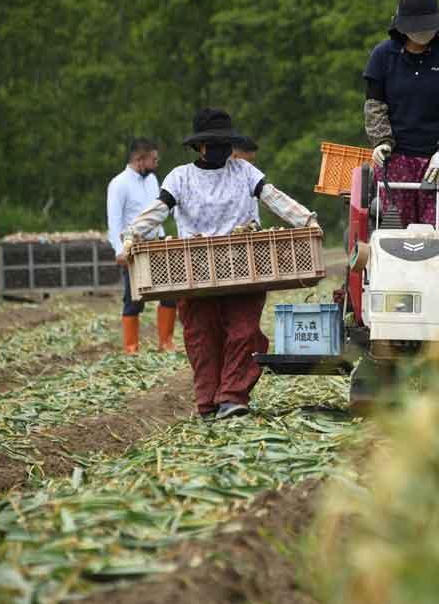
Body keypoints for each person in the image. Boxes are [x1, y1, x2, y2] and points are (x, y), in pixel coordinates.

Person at [120, 108, 320, 421]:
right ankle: (208, 402)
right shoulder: (181, 177)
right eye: (214, 143)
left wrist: (307, 220)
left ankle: (232, 396)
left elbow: (273, 197)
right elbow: (159, 210)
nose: (221, 149)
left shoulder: (243, 172)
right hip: (194, 269)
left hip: (243, 264)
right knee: (201, 336)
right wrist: (131, 234)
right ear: (200, 147)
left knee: (244, 331)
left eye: (225, 143)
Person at [363, 0, 439, 229]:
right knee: (395, 231)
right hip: (396, 158)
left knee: (436, 230)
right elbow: (374, 106)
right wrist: (381, 141)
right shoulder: (382, 56)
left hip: (435, 158)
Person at [107, 138, 177, 354]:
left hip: (156, 244)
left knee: (169, 293)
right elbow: (114, 220)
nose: (157, 163)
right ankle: (131, 347)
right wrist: (120, 250)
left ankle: (166, 343)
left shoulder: (153, 180)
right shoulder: (118, 184)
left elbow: (159, 212)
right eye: (153, 159)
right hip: (134, 249)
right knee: (134, 299)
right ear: (140, 159)